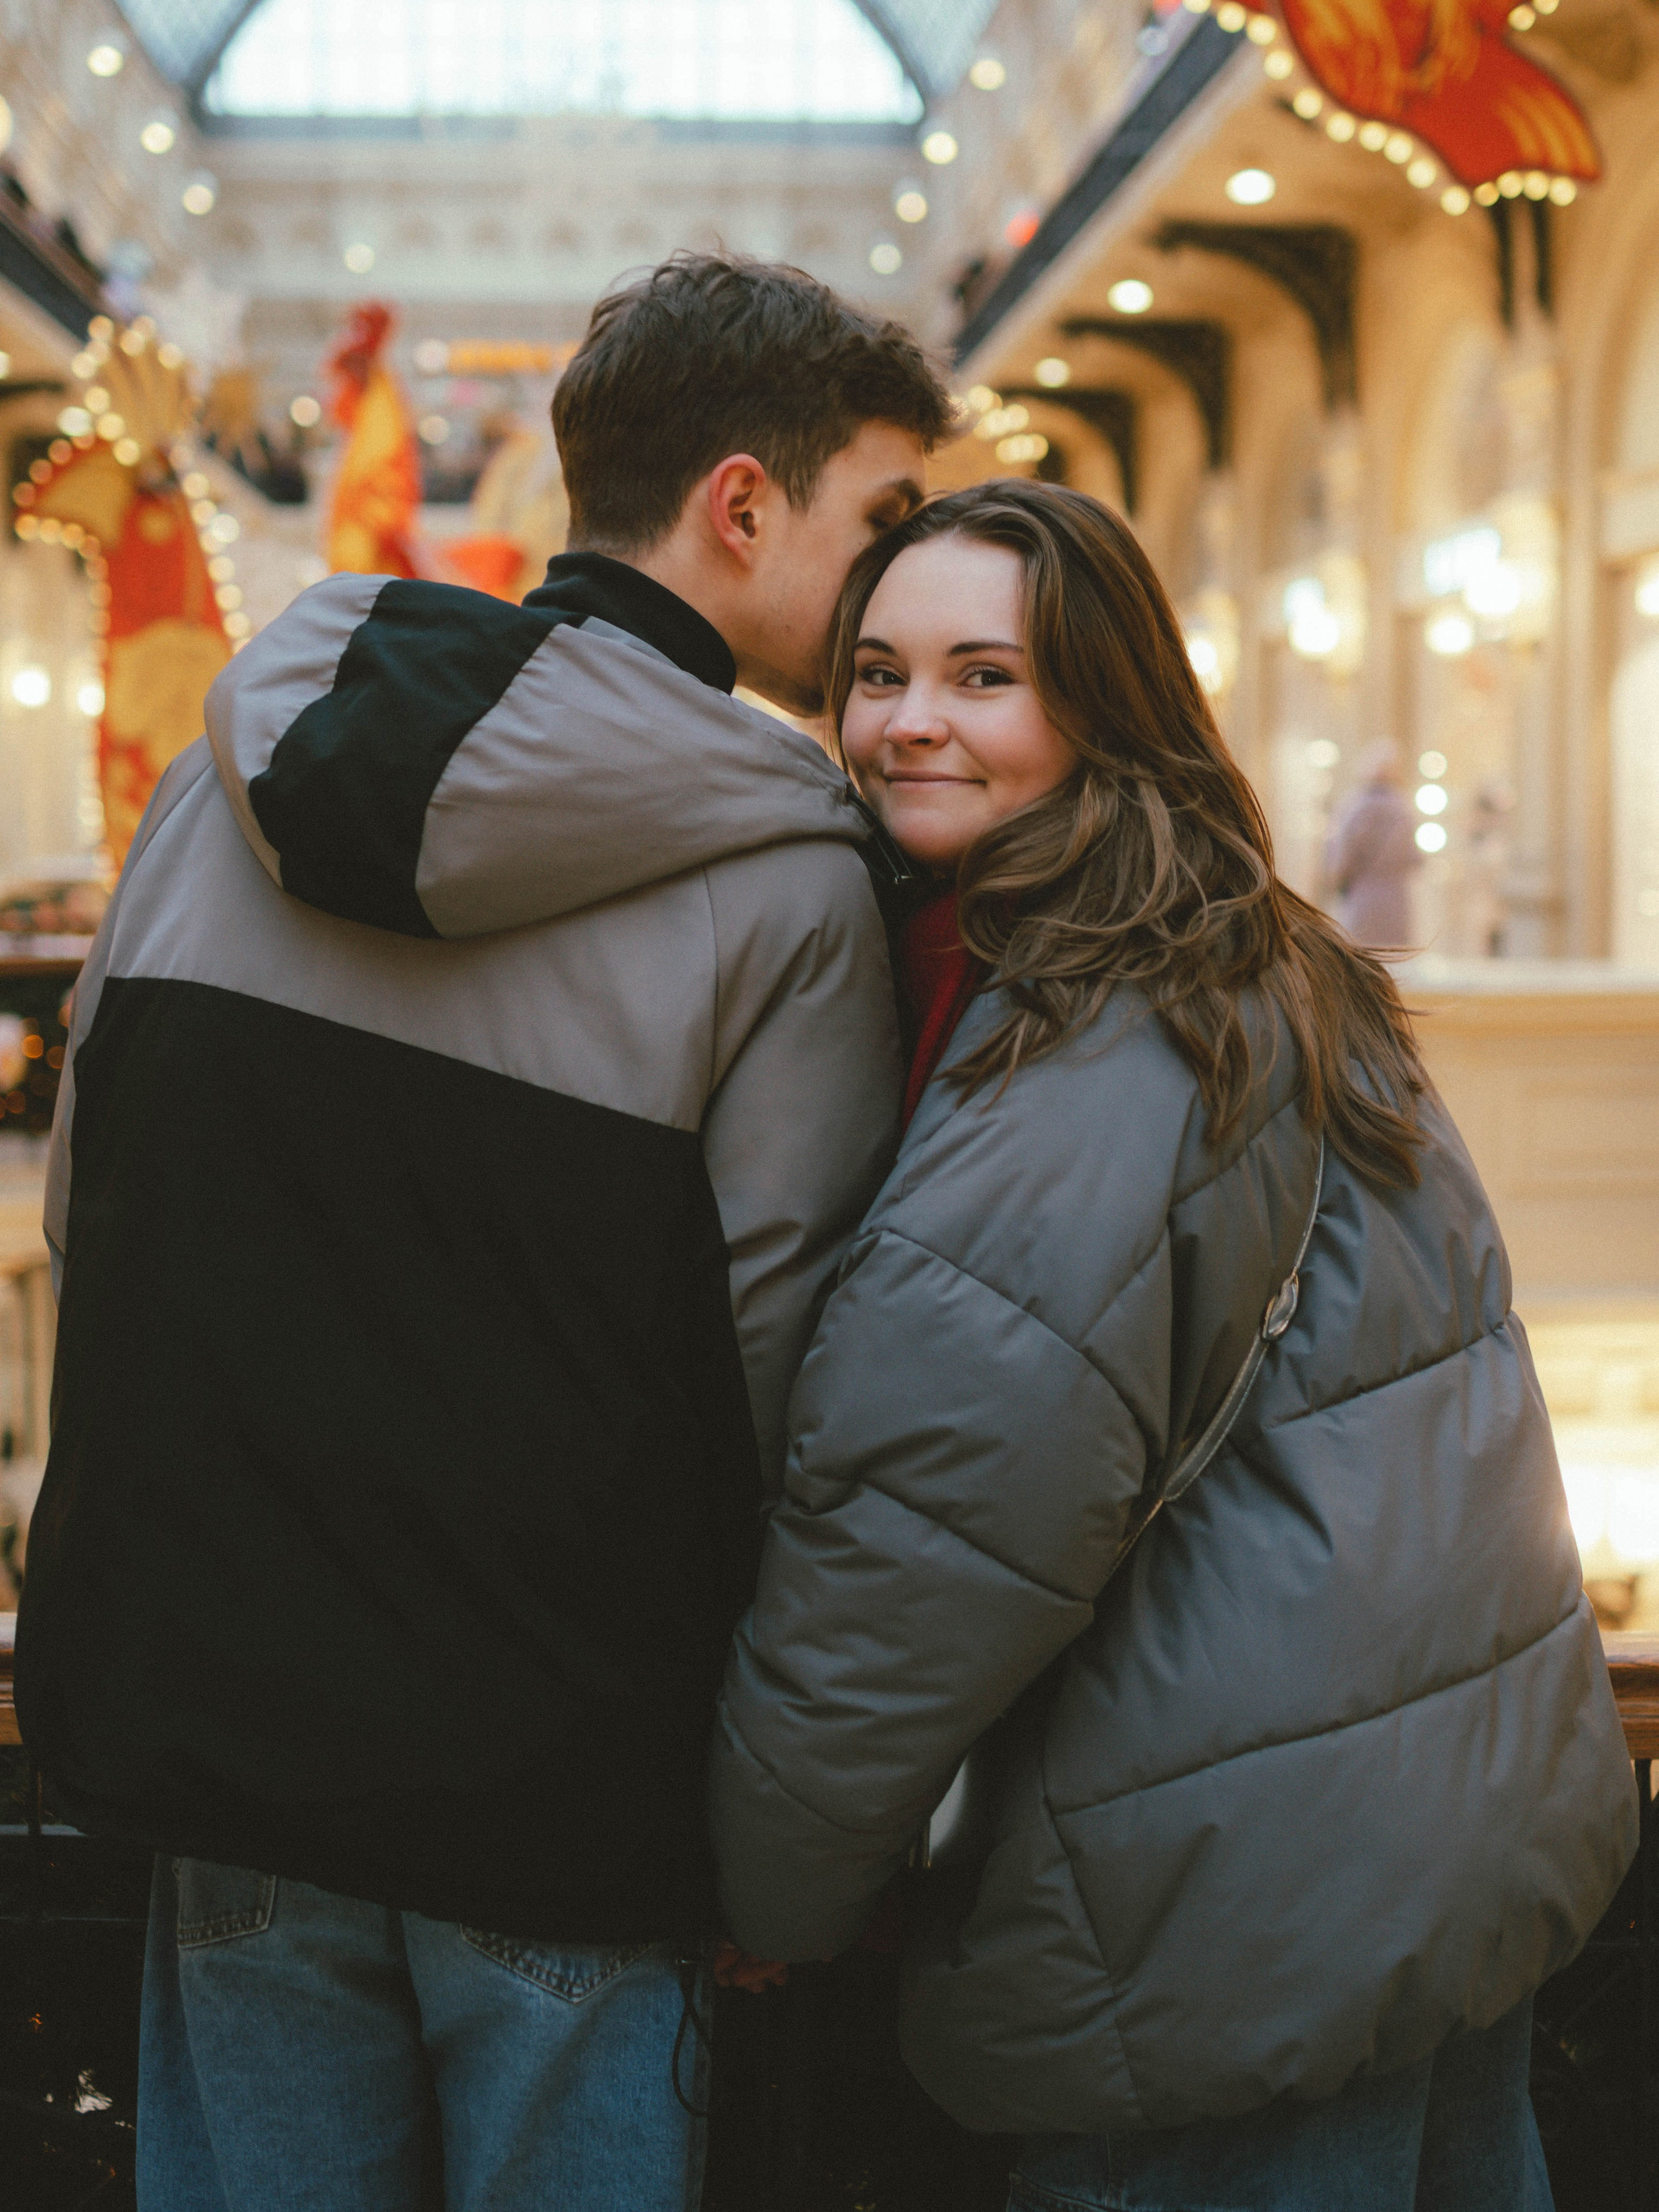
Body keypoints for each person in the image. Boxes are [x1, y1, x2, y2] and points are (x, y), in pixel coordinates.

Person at [16, 251, 953, 2212]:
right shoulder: (789, 891)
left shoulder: (237, 765)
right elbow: (789, 1377)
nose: (899, 576)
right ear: (742, 505)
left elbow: (100, 1205)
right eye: (884, 520)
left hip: (234, 1737)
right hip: (567, 1786)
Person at [708, 481, 1638, 2211]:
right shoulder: (1255, 952)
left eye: (985, 674)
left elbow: (924, 1535)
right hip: (1426, 1839)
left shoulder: (1081, 1039)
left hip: (1218, 1911)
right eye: (880, 670)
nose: (912, 720)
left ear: (1101, 698)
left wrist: (772, 1886)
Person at [1325, 738, 1421, 951]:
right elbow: (1415, 857)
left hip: (1364, 896)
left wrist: (1339, 878)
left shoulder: (1356, 806)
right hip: (1392, 898)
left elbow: (1342, 855)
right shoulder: (1403, 807)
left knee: (1362, 954)